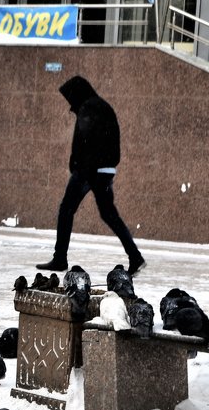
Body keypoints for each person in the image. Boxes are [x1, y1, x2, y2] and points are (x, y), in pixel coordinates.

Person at [37, 75, 145, 275]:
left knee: (66, 209)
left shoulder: (88, 108)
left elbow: (84, 140)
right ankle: (135, 257)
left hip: (89, 170)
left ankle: (60, 258)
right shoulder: (103, 106)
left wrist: (78, 166)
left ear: (77, 94)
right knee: (109, 214)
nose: (70, 105)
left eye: (70, 99)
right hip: (105, 170)